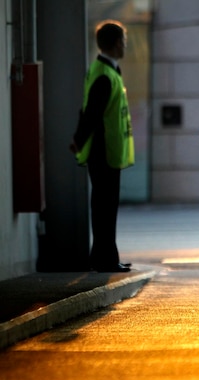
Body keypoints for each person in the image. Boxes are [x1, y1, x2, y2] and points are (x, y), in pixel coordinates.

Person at [71, 20, 134, 273]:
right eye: (125, 41)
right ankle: (105, 260)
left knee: (104, 206)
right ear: (118, 43)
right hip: (104, 150)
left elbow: (88, 110)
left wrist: (78, 138)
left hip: (106, 150)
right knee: (105, 207)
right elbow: (92, 113)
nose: (126, 46)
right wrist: (78, 139)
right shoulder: (106, 75)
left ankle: (106, 256)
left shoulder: (104, 70)